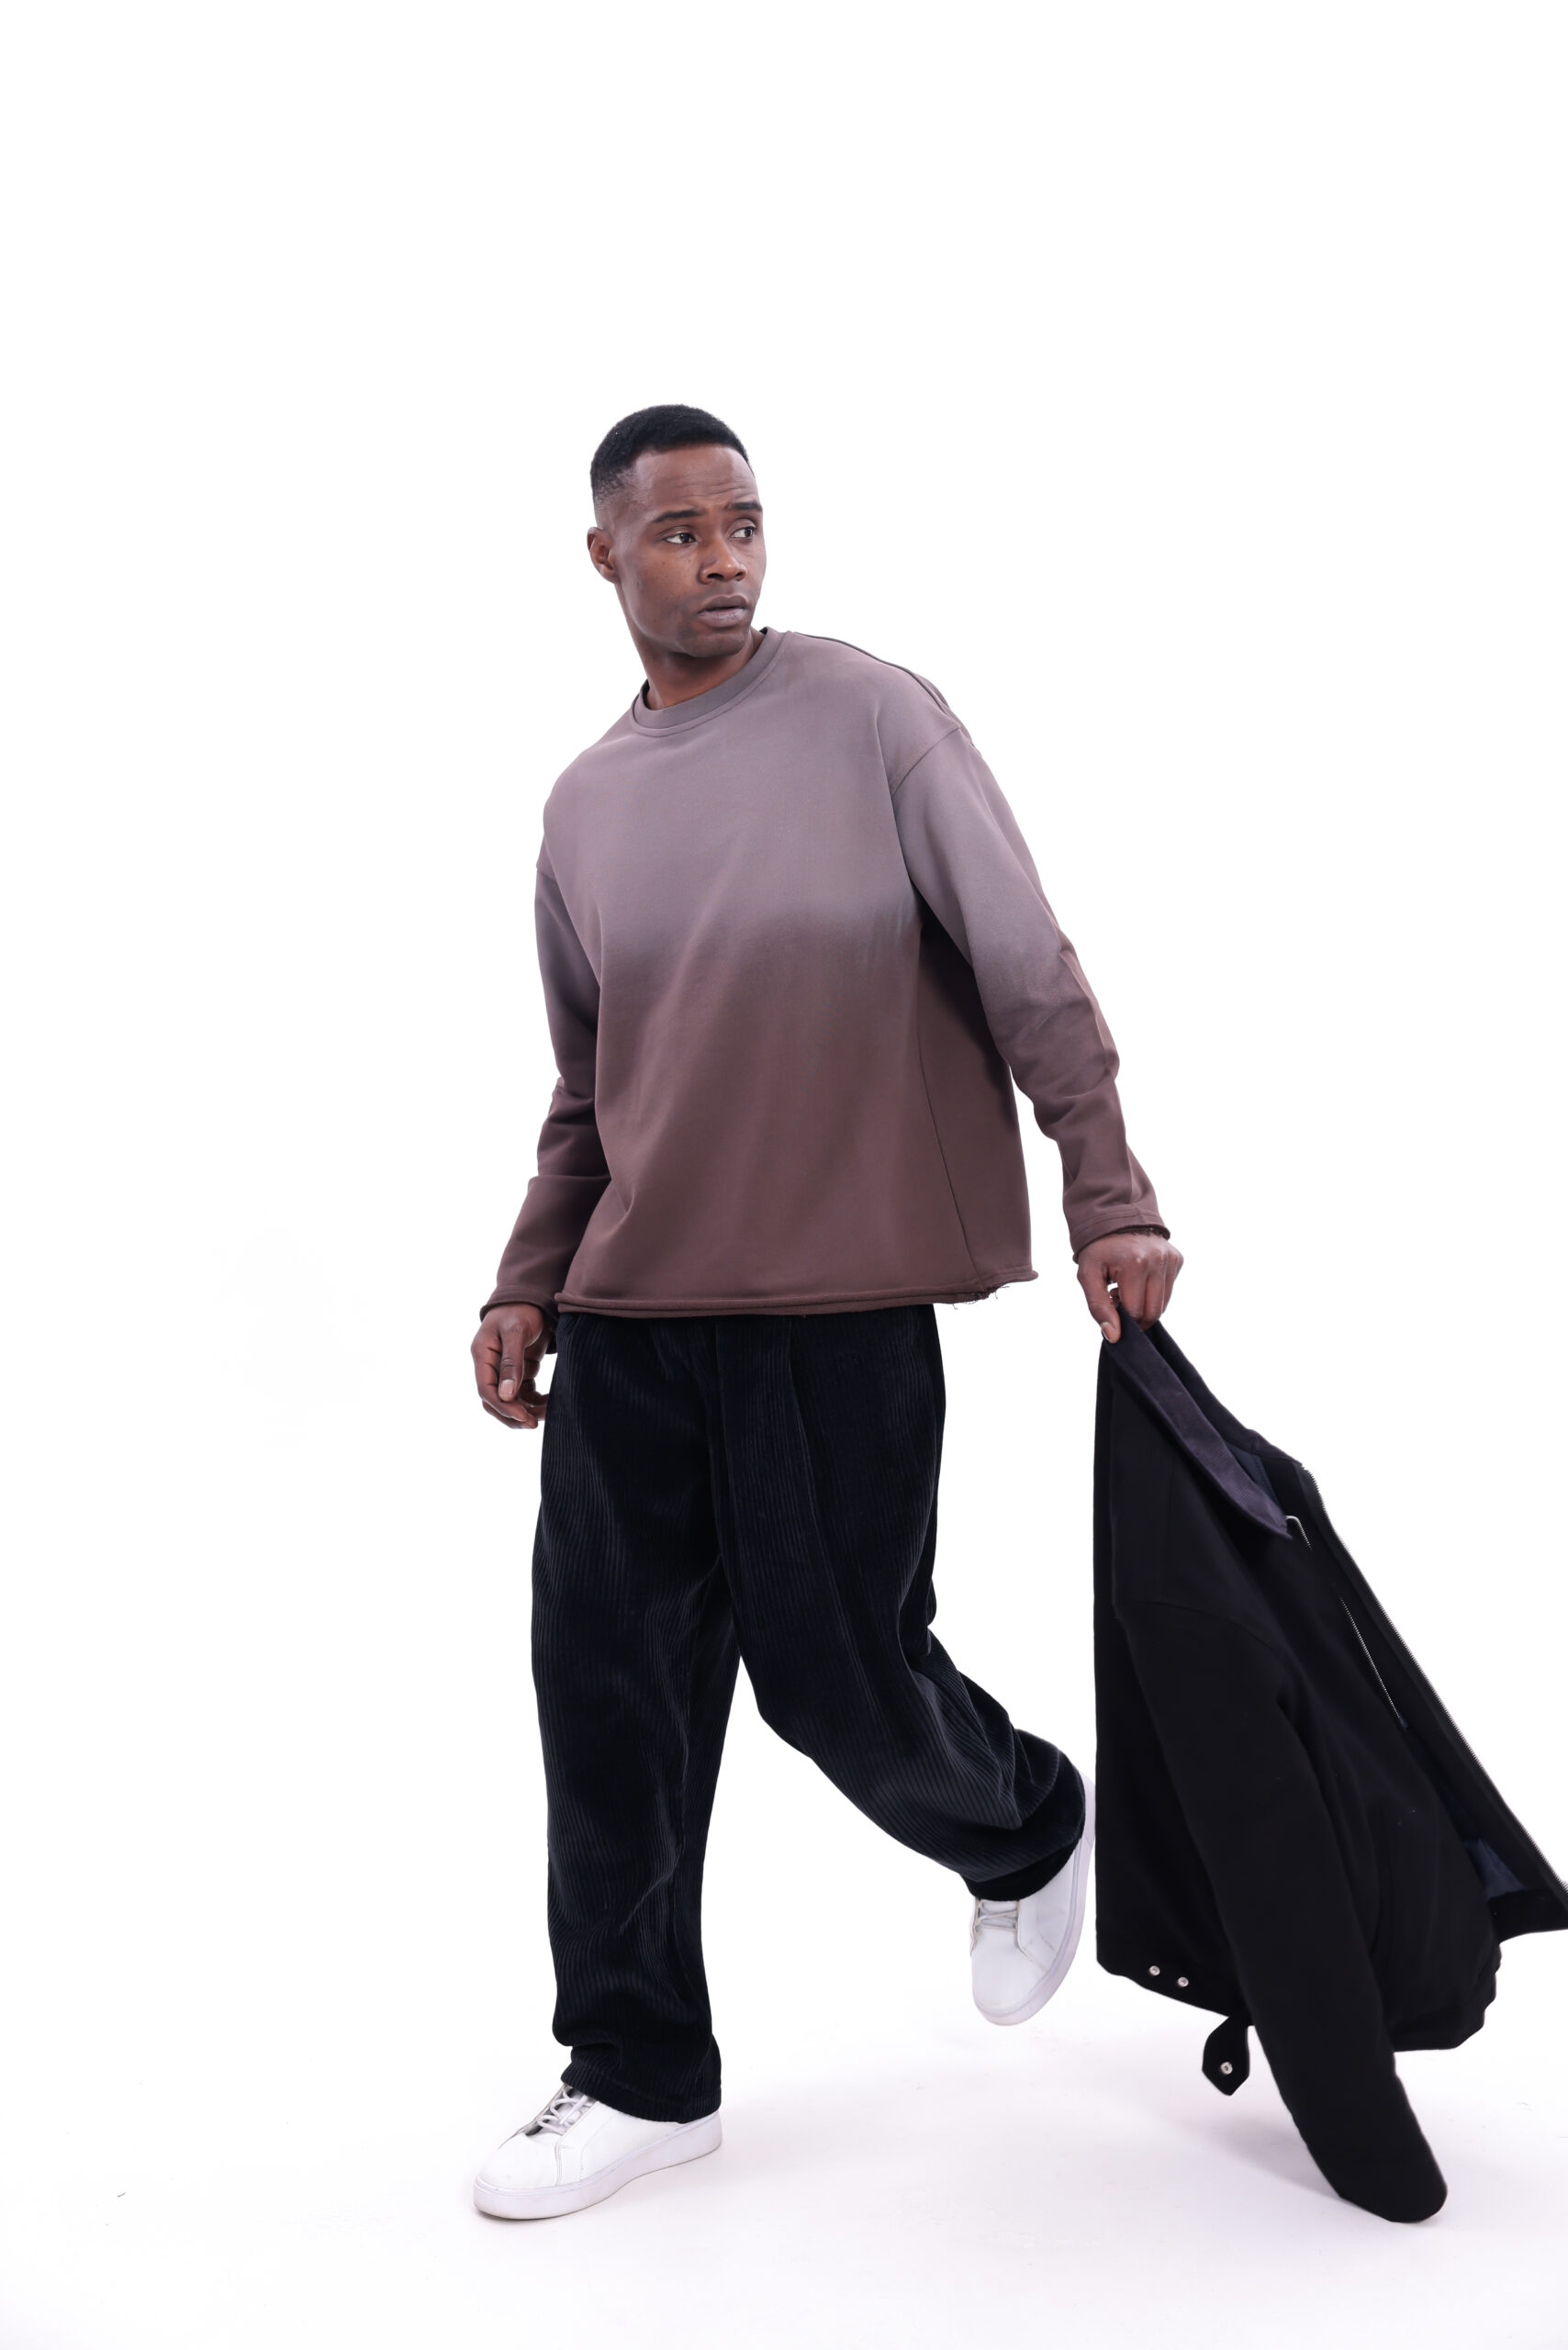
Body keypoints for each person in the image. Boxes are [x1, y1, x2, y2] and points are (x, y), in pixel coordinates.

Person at [468, 404, 1182, 2221]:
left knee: (840, 1679)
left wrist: (1106, 1189)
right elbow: (592, 1089)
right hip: (633, 1320)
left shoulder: (872, 716)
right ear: (603, 556)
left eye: (743, 522)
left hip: (833, 1304)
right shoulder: (583, 805)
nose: (721, 557)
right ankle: (638, 2071)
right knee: (606, 1702)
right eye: (679, 530)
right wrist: (526, 1277)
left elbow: (1028, 966)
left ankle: (1025, 1821)